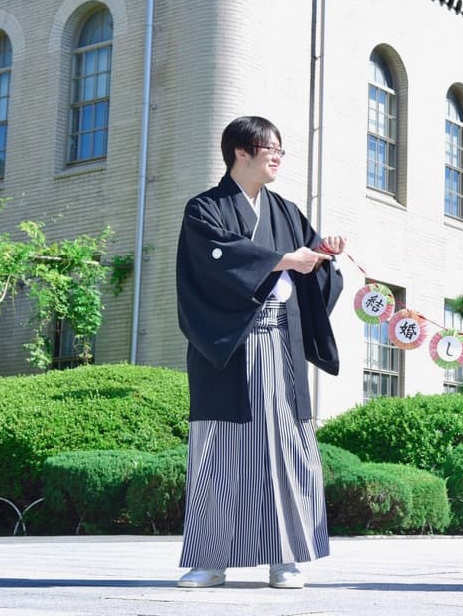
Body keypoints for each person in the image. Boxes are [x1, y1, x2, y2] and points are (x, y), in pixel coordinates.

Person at [174, 115, 345, 589]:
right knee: (219, 451)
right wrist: (283, 260)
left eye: (280, 149)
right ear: (240, 153)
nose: (277, 156)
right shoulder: (204, 209)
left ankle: (284, 558)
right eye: (268, 148)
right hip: (226, 350)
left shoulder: (286, 212)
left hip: (280, 345)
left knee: (286, 449)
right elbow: (211, 265)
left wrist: (323, 254)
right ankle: (210, 560)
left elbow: (316, 266)